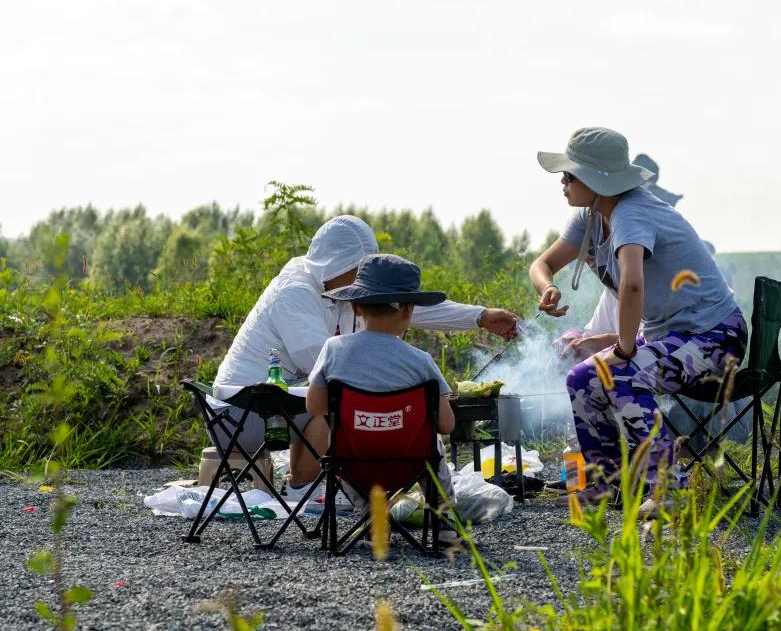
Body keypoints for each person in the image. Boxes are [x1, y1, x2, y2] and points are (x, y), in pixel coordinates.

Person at [214, 215, 519, 502]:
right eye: (358, 269)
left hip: (281, 409)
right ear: (334, 264)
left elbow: (403, 306)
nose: (363, 277)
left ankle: (336, 488)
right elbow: (328, 368)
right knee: (338, 399)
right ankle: (302, 492)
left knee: (342, 400)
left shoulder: (336, 286)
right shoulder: (294, 293)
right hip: (243, 416)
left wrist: (479, 317)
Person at [530, 127, 748, 510]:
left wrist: (624, 350)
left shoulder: (632, 213)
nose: (562, 182)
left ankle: (669, 490)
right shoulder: (592, 216)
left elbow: (632, 285)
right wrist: (546, 287)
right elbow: (542, 263)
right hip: (674, 338)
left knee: (622, 372)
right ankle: (608, 483)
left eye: (570, 175)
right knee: (581, 378)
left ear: (597, 179)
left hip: (716, 336)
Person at [306, 254, 457, 507]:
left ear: (356, 307)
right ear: (408, 310)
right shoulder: (421, 361)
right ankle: (443, 518)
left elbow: (315, 406)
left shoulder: (333, 349)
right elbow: (446, 424)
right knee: (435, 444)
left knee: (338, 439)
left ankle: (370, 517)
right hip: (410, 463)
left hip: (353, 462)